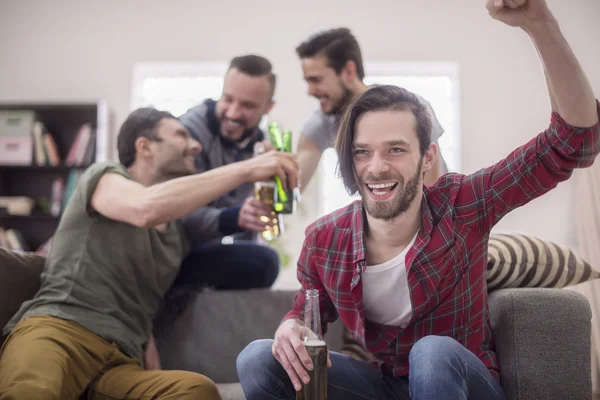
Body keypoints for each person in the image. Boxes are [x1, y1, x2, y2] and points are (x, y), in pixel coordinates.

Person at [236, 0, 600, 399]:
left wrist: (539, 23)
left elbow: (573, 142)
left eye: (395, 150)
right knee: (258, 357)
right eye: (362, 152)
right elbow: (307, 313)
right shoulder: (325, 239)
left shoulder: (462, 204)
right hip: (383, 382)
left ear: (427, 157)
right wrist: (290, 326)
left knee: (433, 353)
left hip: (458, 378)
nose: (376, 167)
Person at [0, 107, 298, 399]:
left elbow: (147, 299)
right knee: (32, 392)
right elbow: (145, 208)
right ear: (144, 147)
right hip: (61, 330)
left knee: (196, 390)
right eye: (181, 135)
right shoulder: (104, 178)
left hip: (120, 361)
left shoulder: (177, 236)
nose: (195, 146)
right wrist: (247, 169)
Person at [175, 54, 282, 291]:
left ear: (268, 108)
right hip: (173, 249)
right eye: (228, 99)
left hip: (207, 249)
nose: (233, 113)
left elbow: (249, 227)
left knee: (262, 260)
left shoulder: (260, 145)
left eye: (248, 105)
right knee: (266, 262)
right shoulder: (189, 133)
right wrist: (236, 217)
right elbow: (179, 213)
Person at [295, 27, 447, 192]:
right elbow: (292, 187)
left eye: (316, 80)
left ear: (349, 71)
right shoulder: (322, 124)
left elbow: (432, 194)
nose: (310, 91)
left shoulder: (411, 110)